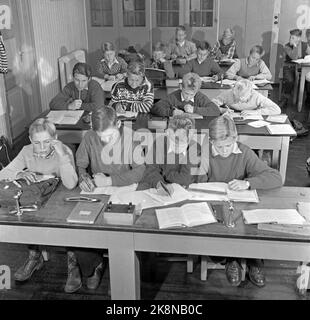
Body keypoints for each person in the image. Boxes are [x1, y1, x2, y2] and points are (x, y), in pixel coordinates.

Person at [197, 115, 283, 287]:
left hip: (241, 206)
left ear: (235, 138)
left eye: (228, 145)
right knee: (219, 229)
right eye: (219, 146)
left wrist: (248, 183)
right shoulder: (203, 152)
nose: (224, 151)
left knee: (251, 227)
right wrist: (201, 170)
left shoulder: (244, 152)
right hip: (216, 207)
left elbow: (276, 177)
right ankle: (231, 259)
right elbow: (194, 186)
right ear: (211, 141)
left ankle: (253, 260)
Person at [68, 106, 145, 292]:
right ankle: (94, 266)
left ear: (118, 124)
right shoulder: (89, 137)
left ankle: (121, 274)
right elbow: (81, 163)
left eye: (110, 136)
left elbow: (140, 171)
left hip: (125, 191)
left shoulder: (131, 137)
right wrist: (83, 176)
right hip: (99, 192)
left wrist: (110, 180)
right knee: (82, 223)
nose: (105, 140)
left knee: (124, 228)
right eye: (101, 136)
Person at [0, 118, 78, 285]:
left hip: (61, 198)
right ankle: (34, 256)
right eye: (37, 143)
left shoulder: (64, 151)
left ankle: (72, 261)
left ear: (55, 138)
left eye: (47, 142)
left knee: (67, 216)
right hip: (39, 197)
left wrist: (62, 156)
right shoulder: (26, 151)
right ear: (30, 140)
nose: (42, 148)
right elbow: (3, 173)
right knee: (25, 212)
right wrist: (18, 174)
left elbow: (71, 184)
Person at [138, 114, 200, 191]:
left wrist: (164, 172)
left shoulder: (195, 148)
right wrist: (160, 185)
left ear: (190, 138)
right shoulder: (159, 143)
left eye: (182, 141)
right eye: (173, 140)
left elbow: (185, 179)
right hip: (158, 190)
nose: (177, 145)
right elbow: (150, 171)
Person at [151, 72, 220, 117]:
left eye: (192, 95)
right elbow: (155, 107)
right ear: (181, 87)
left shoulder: (199, 97)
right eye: (186, 93)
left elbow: (216, 110)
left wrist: (194, 109)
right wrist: (171, 112)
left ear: (196, 91)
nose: (188, 97)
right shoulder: (174, 96)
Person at [212, 78, 281, 116]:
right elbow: (210, 105)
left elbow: (276, 109)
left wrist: (256, 112)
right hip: (230, 119)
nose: (239, 100)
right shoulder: (229, 93)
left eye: (242, 96)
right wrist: (222, 110)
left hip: (251, 121)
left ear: (250, 92)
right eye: (236, 96)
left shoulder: (256, 96)